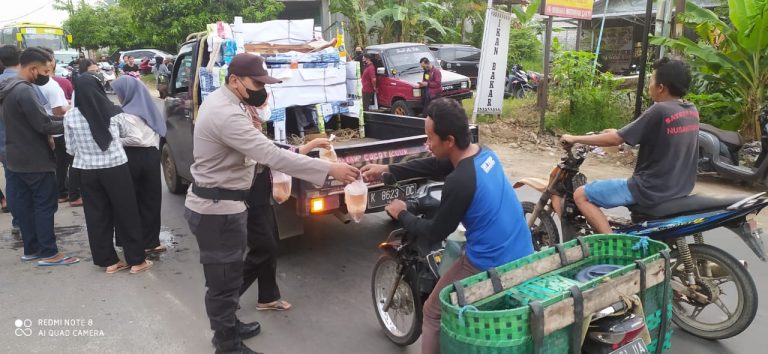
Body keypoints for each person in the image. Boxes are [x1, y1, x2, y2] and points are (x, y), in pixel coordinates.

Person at [183, 53, 359, 354]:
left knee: (230, 274)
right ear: (235, 81)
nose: (261, 89)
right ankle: (227, 345)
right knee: (223, 282)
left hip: (226, 205)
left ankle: (229, 326)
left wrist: (302, 149)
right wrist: (329, 169)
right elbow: (270, 155)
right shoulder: (226, 113)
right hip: (217, 209)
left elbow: (261, 147)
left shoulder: (232, 104)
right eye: (257, 83)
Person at [361, 98, 534, 354]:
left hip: (490, 262)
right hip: (524, 250)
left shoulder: (460, 181)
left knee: (432, 312)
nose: (426, 144)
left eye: (430, 138)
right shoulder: (484, 154)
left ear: (450, 140)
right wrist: (388, 169)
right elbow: (436, 165)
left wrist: (402, 214)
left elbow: (435, 231)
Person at [560, 58, 698, 234]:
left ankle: (612, 243)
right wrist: (620, 135)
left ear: (661, 87)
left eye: (651, 80)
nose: (649, 84)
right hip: (679, 188)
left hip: (649, 189)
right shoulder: (690, 110)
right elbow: (659, 139)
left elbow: (615, 140)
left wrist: (574, 138)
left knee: (581, 195)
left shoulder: (660, 110)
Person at [64, 70, 153, 274]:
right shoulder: (114, 111)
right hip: (116, 169)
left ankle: (108, 262)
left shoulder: (71, 116)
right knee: (127, 213)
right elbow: (126, 134)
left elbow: (70, 149)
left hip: (87, 171)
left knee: (96, 215)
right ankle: (136, 261)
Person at [0, 47, 79, 266]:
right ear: (34, 69)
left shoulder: (7, 87)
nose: (48, 75)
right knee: (44, 205)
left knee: (25, 207)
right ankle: (49, 253)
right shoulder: (24, 90)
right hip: (34, 159)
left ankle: (32, 249)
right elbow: (43, 123)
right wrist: (71, 121)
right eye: (46, 71)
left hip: (14, 156)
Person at [111, 75, 167, 255]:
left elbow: (135, 139)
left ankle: (128, 240)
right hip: (151, 156)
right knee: (151, 200)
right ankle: (151, 241)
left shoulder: (126, 113)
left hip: (132, 158)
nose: (117, 95)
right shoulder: (149, 108)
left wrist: (115, 140)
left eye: (118, 92)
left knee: (128, 200)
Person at [36, 48, 73, 207]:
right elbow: (58, 111)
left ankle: (61, 191)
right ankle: (63, 192)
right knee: (64, 164)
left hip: (47, 130)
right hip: (58, 130)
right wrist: (70, 107)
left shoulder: (34, 85)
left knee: (57, 164)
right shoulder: (54, 86)